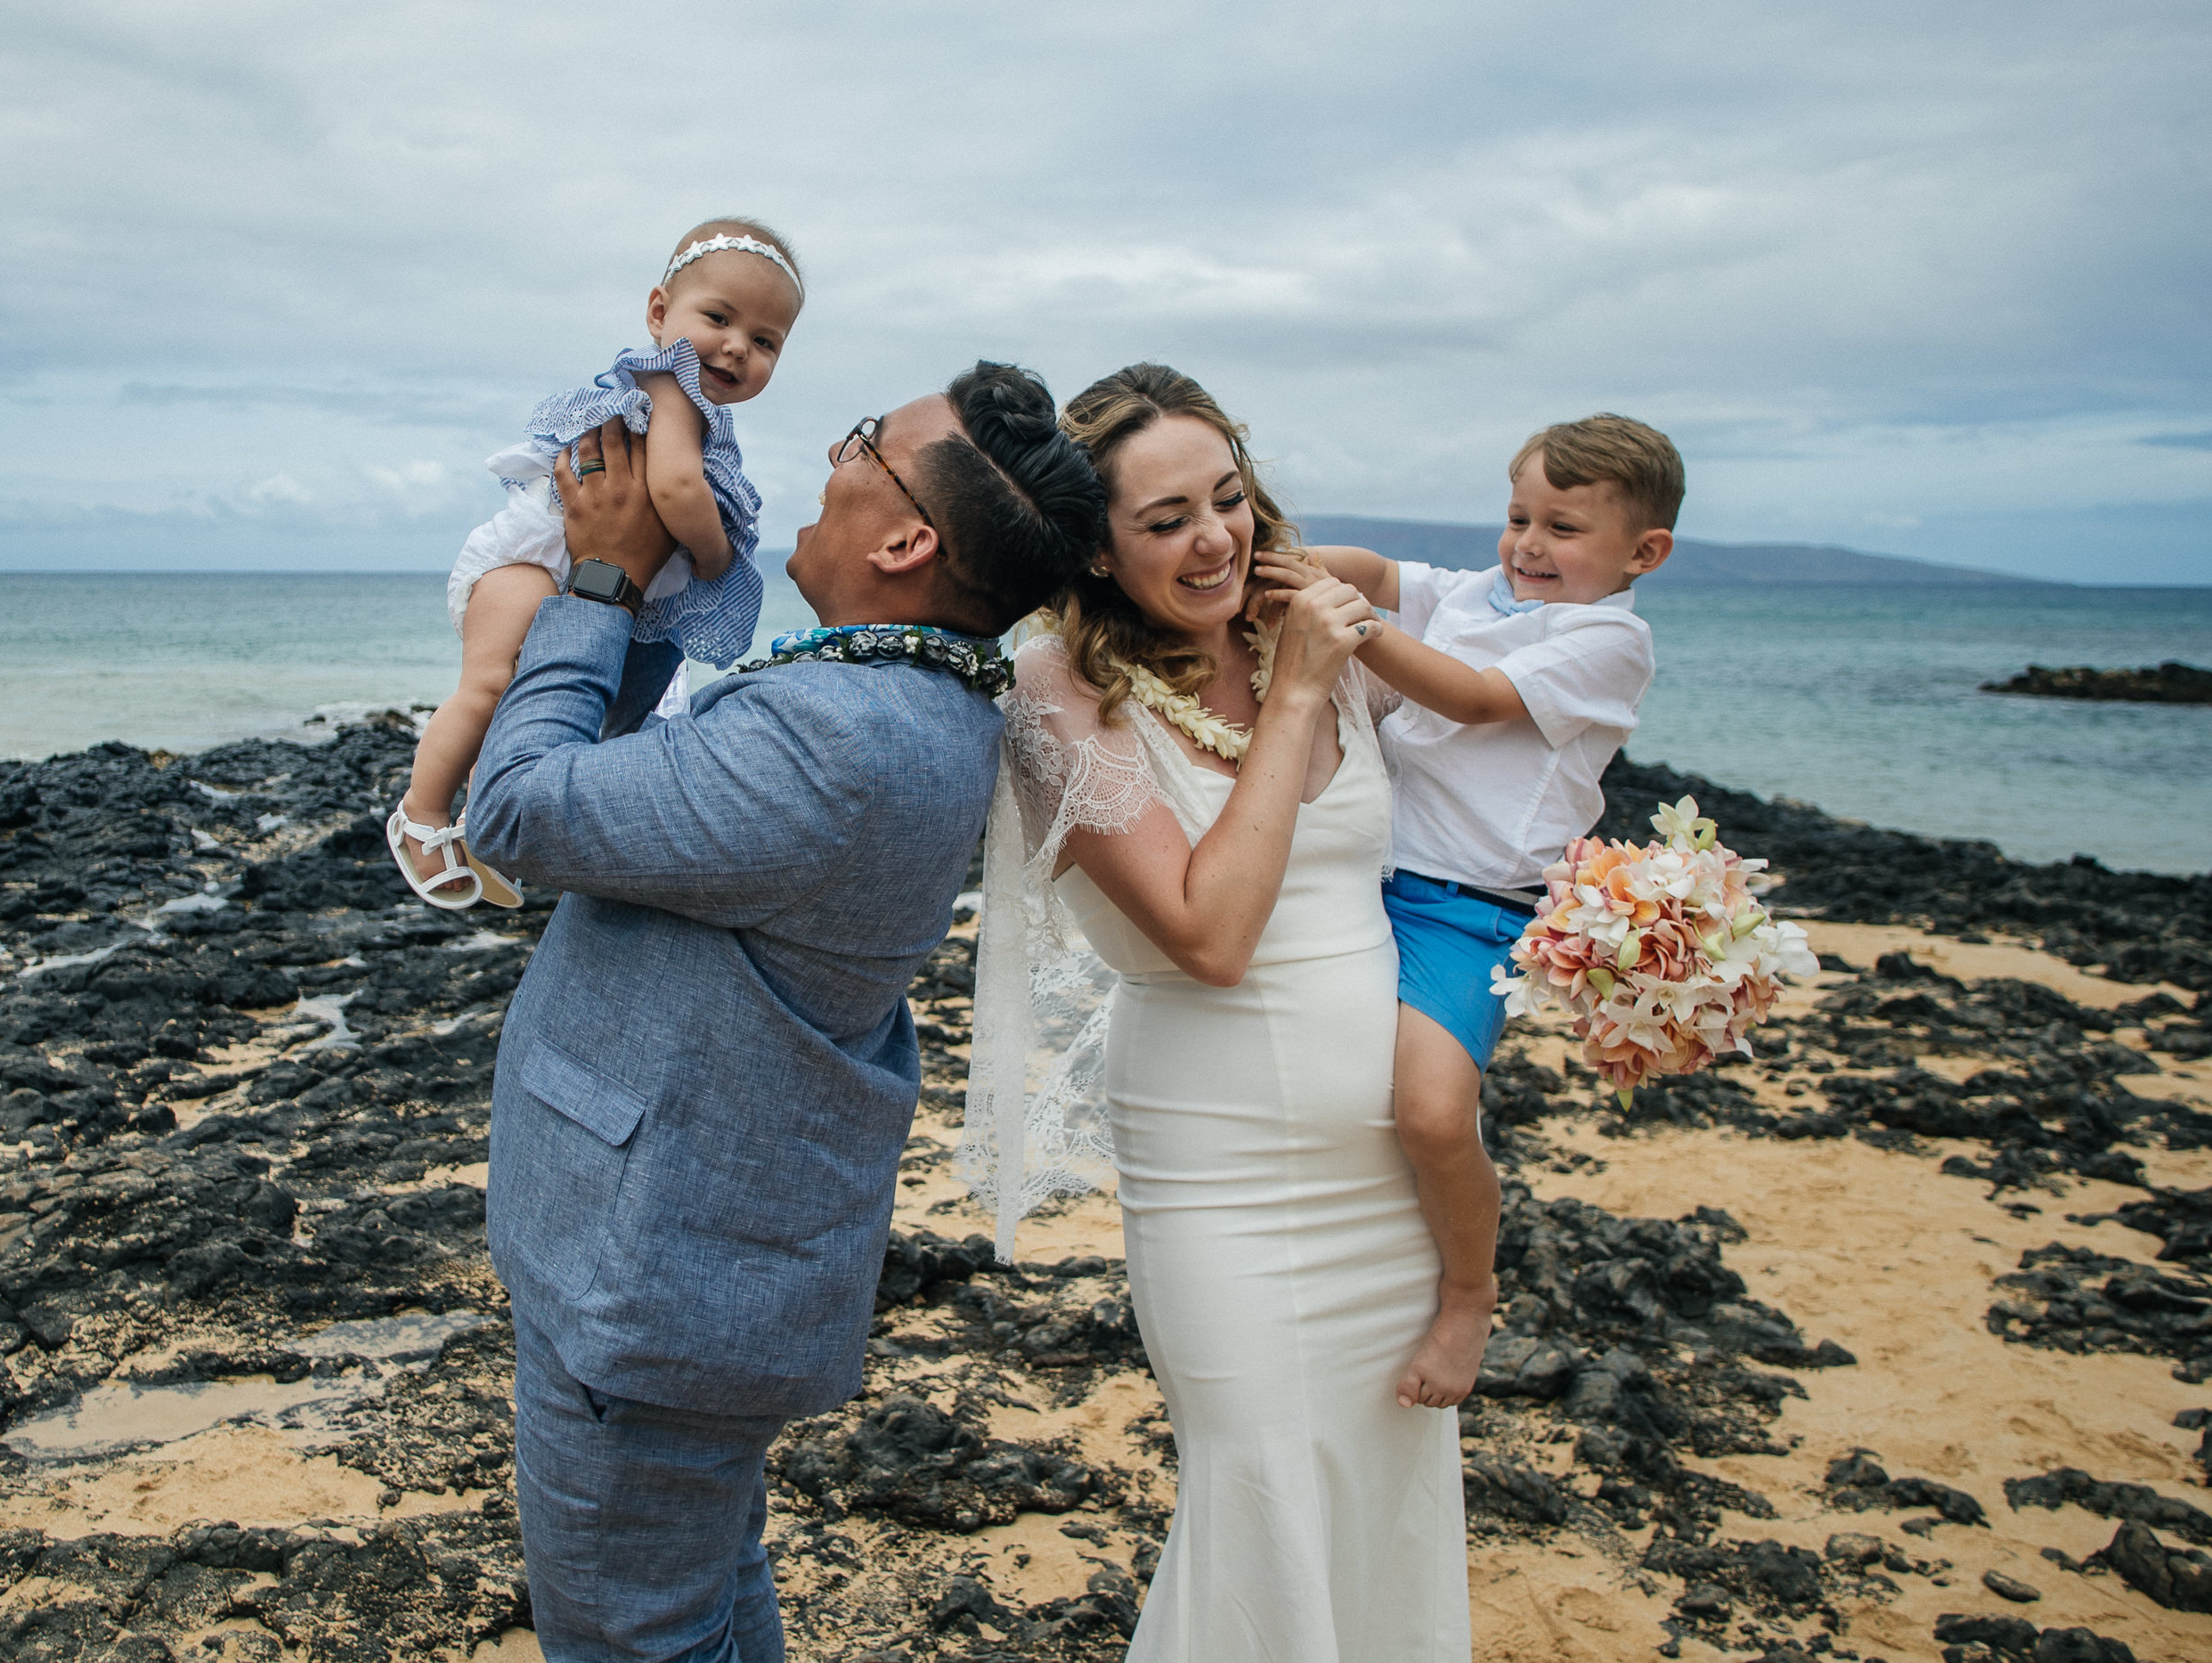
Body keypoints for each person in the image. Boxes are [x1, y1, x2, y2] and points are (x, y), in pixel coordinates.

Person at [466, 362, 1104, 1663]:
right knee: (703, 1592)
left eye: (869, 440)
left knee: (634, 1631)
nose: (831, 448)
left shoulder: (840, 736)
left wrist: (594, 580)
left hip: (650, 1271)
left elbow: (521, 806)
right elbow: (623, 789)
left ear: (911, 535)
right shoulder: (909, 701)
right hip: (715, 1254)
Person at [964, 363, 1469, 1661]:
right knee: (1256, 1492)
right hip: (1219, 1168)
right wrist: (1301, 689)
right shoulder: (1056, 693)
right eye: (1168, 518)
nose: (1214, 540)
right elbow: (1211, 934)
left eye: (1229, 499)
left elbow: (1523, 620)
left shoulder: (1302, 605)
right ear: (1093, 545)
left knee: (1384, 1498)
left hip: (1388, 1172)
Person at [1256, 412, 1674, 1410]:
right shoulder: (1478, 590)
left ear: (1643, 552)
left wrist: (1344, 624)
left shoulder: (1607, 638)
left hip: (1469, 911)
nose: (1528, 545)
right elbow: (1372, 567)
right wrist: (1256, 556)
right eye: (1517, 516)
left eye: (1562, 528)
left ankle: (1468, 1294)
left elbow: (1474, 696)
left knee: (1432, 1112)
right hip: (1359, 875)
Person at [389, 218, 803, 910]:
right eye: (719, 318)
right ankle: (420, 814)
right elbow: (673, 489)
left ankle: (480, 830)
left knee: (537, 710)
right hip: (529, 563)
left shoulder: (701, 411)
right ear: (659, 313)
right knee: (489, 687)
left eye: (765, 341)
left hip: (576, 574)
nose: (737, 347)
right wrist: (715, 554)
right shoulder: (670, 385)